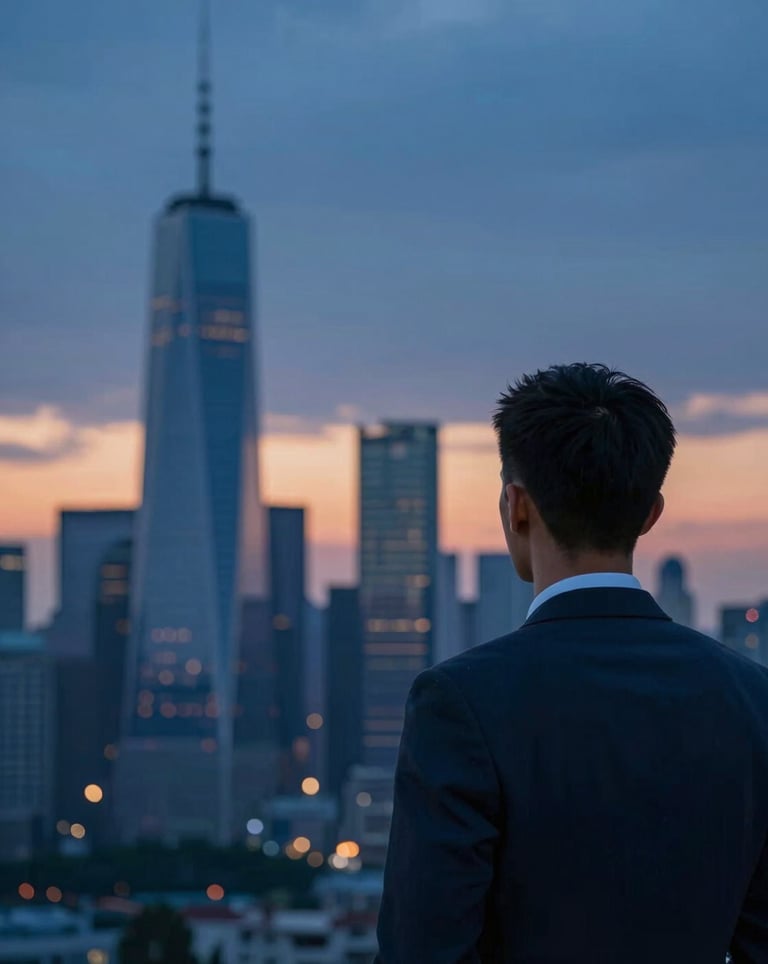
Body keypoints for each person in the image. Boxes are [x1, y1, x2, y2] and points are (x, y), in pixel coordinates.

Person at [375, 363, 768, 963]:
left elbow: (423, 951)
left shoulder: (461, 702)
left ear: (517, 506)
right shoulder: (752, 697)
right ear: (649, 514)